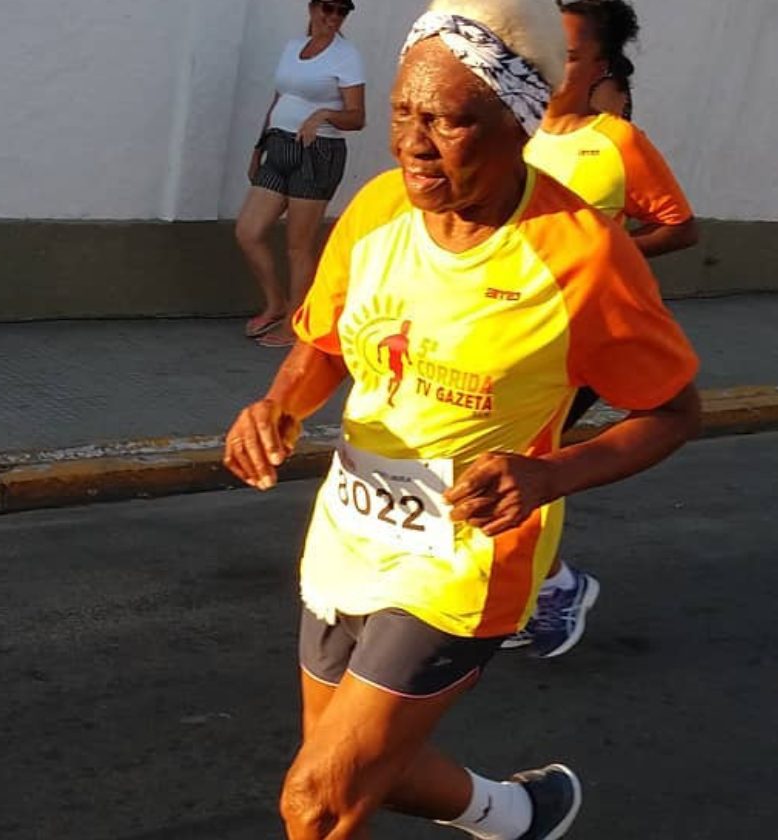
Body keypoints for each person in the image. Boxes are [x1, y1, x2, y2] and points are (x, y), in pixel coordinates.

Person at [222, 0, 702, 835]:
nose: (412, 140)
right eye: (405, 112)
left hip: (466, 556)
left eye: (446, 120)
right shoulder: (375, 210)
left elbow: (672, 410)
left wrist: (552, 473)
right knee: (352, 766)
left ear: (517, 124)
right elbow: (326, 345)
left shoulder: (582, 256)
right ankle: (517, 813)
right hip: (350, 531)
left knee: (316, 800)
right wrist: (276, 406)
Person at [514, 0, 699, 659]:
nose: (548, 65)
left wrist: (606, 256)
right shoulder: (519, 130)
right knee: (499, 457)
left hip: (581, 336)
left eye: (566, 55)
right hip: (511, 330)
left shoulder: (616, 142)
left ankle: (553, 587)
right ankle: (528, 587)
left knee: (522, 459)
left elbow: (680, 226)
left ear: (597, 66)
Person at [237, 0, 367, 348]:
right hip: (278, 147)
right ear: (312, 8)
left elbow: (357, 117)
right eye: (328, 8)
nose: (333, 17)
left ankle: (297, 323)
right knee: (248, 231)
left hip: (317, 153)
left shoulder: (346, 56)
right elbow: (279, 97)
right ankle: (276, 303)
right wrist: (258, 147)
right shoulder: (294, 47)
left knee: (298, 246)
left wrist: (324, 114)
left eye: (342, 11)